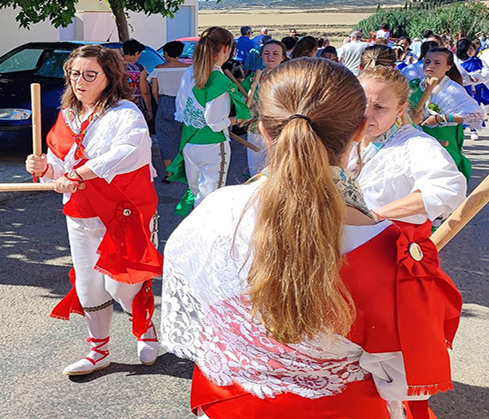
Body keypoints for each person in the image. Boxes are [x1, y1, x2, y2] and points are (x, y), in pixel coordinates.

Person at [161, 58, 462, 419]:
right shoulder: (388, 254)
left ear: (265, 131)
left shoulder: (214, 210)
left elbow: (198, 315)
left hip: (228, 405)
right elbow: (400, 378)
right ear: (358, 130)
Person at [24, 45, 162, 375]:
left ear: (109, 78)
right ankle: (98, 350)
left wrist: (77, 173)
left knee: (121, 284)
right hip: (79, 212)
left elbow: (127, 153)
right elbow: (57, 166)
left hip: (120, 211)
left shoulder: (125, 113)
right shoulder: (67, 116)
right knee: (89, 285)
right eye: (74, 74)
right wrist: (43, 167)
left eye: (89, 75)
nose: (80, 81)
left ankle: (145, 329)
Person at [349, 66, 467, 224]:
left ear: (400, 109)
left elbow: (447, 189)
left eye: (379, 107)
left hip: (385, 241)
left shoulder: (416, 145)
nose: (366, 114)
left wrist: (376, 215)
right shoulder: (344, 138)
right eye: (360, 102)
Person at [168, 27, 251, 215]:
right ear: (225, 49)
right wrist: (237, 118)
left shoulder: (190, 72)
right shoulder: (219, 80)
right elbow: (215, 122)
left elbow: (181, 108)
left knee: (197, 194)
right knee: (211, 201)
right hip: (213, 147)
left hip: (189, 143)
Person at [409, 48, 484, 180]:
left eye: (437, 63)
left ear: (448, 67)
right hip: (415, 139)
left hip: (444, 139)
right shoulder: (414, 86)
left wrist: (441, 118)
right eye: (427, 61)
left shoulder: (453, 90)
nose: (430, 66)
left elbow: (477, 114)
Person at [241, 40, 286, 175]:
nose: (270, 57)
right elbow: (240, 104)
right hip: (256, 132)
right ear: (261, 56)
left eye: (275, 53)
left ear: (283, 57)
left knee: (278, 172)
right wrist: (246, 107)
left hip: (280, 132)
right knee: (255, 172)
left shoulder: (289, 79)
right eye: (266, 53)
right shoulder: (251, 80)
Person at [149, 41, 189, 182]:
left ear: (165, 53)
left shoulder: (158, 69)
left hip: (165, 102)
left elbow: (154, 91)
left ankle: (169, 173)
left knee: (165, 138)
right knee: (183, 137)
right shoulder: (187, 69)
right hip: (183, 103)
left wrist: (160, 103)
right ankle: (182, 170)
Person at [454, 38, 489, 141]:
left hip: (473, 88)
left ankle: (473, 129)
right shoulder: (453, 61)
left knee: (473, 108)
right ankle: (459, 129)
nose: (472, 51)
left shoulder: (478, 61)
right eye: (469, 49)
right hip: (457, 88)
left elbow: (487, 72)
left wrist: (478, 79)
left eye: (473, 48)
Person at [121, 39, 152, 120]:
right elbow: (144, 91)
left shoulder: (114, 65)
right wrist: (149, 109)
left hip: (117, 103)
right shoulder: (140, 68)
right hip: (135, 104)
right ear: (136, 53)